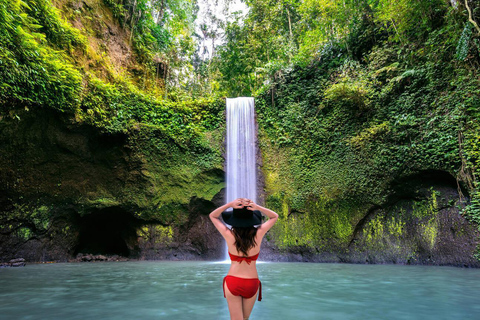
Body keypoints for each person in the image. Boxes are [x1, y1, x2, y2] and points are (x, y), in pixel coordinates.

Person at [209, 198, 279, 320]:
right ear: (252, 219)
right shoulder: (259, 233)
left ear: (234, 220)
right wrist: (258, 207)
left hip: (233, 281)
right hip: (252, 283)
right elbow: (274, 217)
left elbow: (213, 216)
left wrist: (230, 205)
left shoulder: (228, 234)